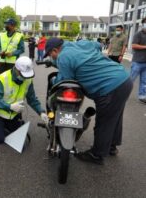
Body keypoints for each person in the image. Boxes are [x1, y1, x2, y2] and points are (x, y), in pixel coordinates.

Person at [44, 37, 132, 165]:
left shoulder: (63, 57)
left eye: (51, 54)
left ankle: (97, 155)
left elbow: (64, 81)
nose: (51, 57)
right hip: (122, 78)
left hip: (108, 87)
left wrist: (53, 81)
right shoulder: (81, 44)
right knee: (115, 116)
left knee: (104, 123)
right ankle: (111, 147)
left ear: (55, 50)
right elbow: (97, 45)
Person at [0, 56, 47, 143]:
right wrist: (10, 106)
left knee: (16, 134)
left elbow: (32, 99)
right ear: (16, 69)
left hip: (14, 113)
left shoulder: (28, 80)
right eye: (23, 74)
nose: (25, 78)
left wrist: (41, 112)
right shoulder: (2, 79)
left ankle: (5, 123)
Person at [130, 18, 146, 104]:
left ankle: (142, 96)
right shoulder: (138, 34)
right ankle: (123, 94)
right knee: (131, 79)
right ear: (143, 24)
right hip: (137, 62)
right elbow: (134, 45)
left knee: (144, 81)